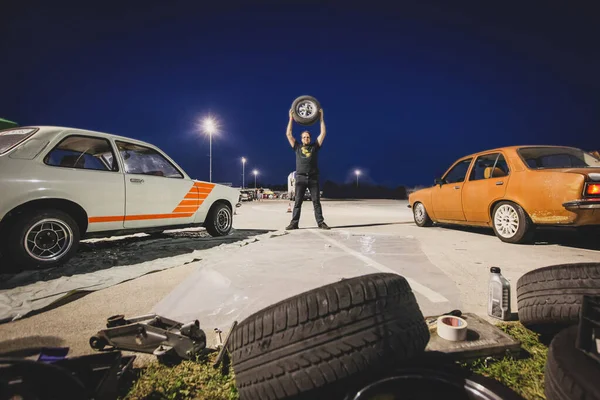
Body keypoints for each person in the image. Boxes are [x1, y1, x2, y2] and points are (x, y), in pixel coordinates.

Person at [285, 107, 330, 230]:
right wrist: (291, 118)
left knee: (316, 202)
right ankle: (294, 223)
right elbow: (288, 134)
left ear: (310, 138)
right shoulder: (297, 147)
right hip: (300, 178)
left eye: (307, 137)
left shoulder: (315, 146)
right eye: (304, 137)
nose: (306, 139)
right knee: (298, 202)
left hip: (313, 178)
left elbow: (323, 133)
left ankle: (321, 223)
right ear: (301, 139)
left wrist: (321, 118)